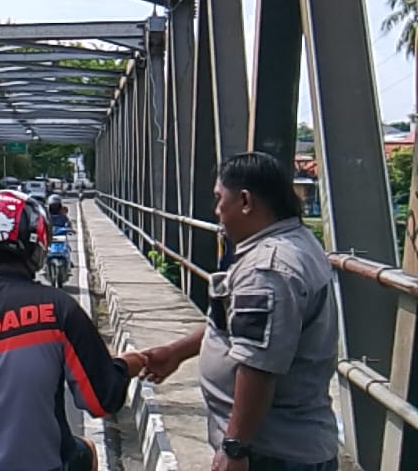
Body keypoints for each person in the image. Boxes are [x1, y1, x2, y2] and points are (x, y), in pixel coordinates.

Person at [140, 152, 339, 471]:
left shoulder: (267, 270)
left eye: (220, 199)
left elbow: (258, 366)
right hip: (285, 448)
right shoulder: (297, 242)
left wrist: (234, 446)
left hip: (272, 454)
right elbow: (241, 327)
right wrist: (177, 352)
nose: (216, 211)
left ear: (245, 201)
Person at [0, 189, 146, 471]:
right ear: (38, 243)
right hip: (38, 464)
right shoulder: (60, 310)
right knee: (86, 452)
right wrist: (124, 366)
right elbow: (101, 401)